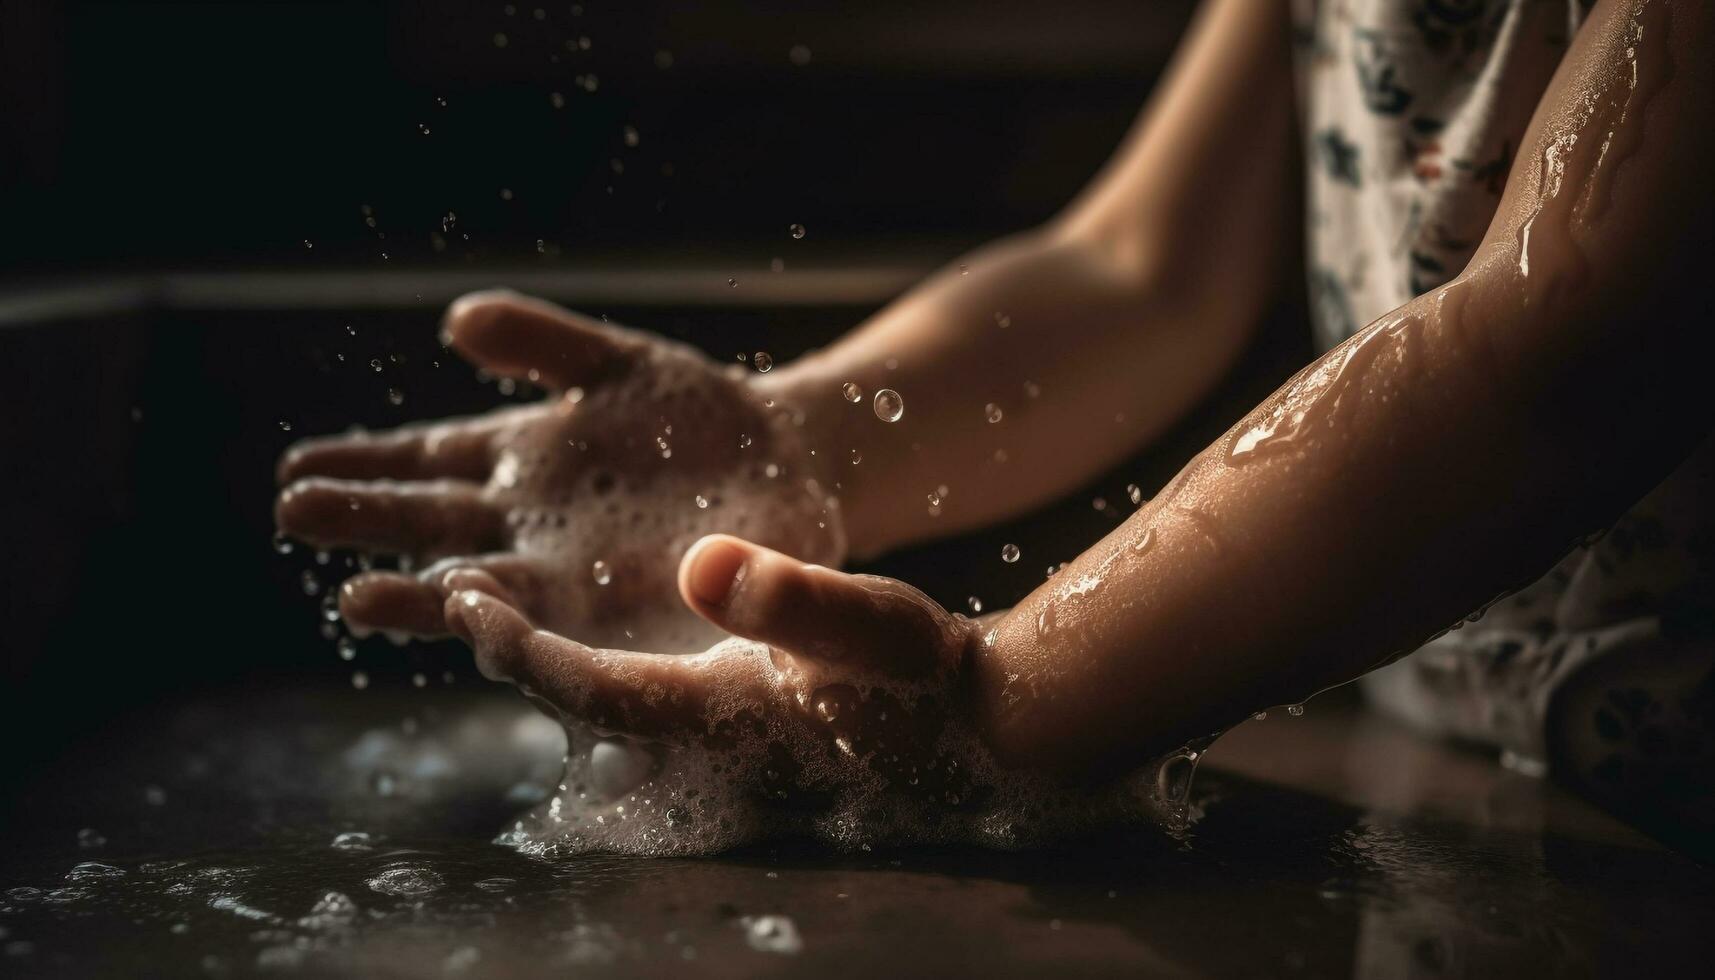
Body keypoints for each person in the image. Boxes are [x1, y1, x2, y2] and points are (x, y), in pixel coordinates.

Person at [276, 0, 1715, 845]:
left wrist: (1004, 708)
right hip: (1451, 752)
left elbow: (1565, 339)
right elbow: (1135, 272)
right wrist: (798, 445)